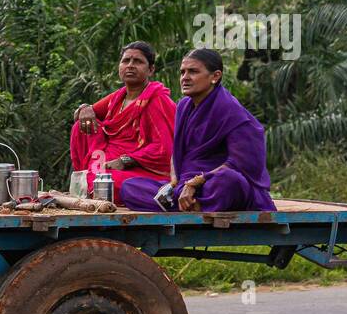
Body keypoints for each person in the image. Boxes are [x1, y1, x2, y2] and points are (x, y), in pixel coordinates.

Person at [118, 48, 276, 213]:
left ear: (215, 76)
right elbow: (176, 152)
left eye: (193, 72)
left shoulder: (229, 109)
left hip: (214, 184)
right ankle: (192, 205)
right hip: (185, 186)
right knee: (129, 186)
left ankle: (191, 204)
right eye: (182, 72)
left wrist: (196, 182)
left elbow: (242, 164)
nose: (185, 77)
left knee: (230, 181)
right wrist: (173, 183)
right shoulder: (183, 106)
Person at [70, 41, 176, 195]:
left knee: (111, 184)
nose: (130, 65)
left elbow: (164, 148)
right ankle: (89, 179)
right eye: (126, 61)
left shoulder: (158, 99)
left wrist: (125, 161)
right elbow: (83, 113)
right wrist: (84, 109)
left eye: (138, 61)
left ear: (151, 70)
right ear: (119, 66)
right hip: (105, 162)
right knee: (82, 127)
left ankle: (89, 184)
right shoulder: (118, 97)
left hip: (140, 168)